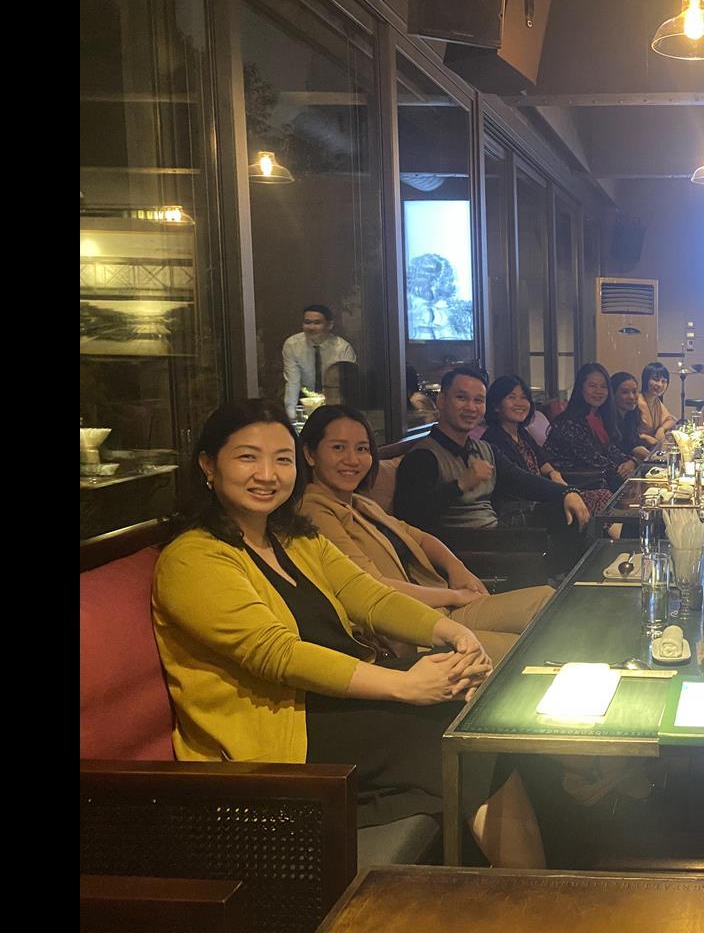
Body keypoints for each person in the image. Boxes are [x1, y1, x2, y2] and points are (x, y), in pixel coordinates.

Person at [151, 398, 543, 866]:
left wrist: (454, 635)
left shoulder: (293, 537)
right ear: (208, 465)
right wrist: (404, 684)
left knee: (480, 697)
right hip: (280, 731)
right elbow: (277, 654)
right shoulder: (192, 558)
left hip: (335, 699)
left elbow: (368, 597)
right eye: (247, 457)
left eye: (281, 459)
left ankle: (535, 868)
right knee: (455, 724)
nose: (267, 474)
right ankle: (528, 887)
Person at [297, 404, 554, 666]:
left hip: (439, 609)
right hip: (407, 632)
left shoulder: (360, 503)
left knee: (547, 601)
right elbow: (372, 587)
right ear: (310, 454)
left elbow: (421, 537)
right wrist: (455, 596)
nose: (352, 459)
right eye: (338, 448)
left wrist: (456, 568)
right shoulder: (314, 511)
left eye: (361, 449)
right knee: (524, 650)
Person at [393, 366, 590, 542]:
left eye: (478, 400)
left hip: (497, 534)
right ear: (442, 400)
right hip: (467, 547)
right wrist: (460, 485)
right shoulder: (423, 457)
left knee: (569, 512)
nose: (471, 407)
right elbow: (410, 519)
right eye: (461, 398)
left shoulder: (485, 449)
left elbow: (522, 481)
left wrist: (566, 492)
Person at [479, 374, 612, 519]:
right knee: (600, 498)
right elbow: (520, 481)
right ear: (496, 405)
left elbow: (543, 460)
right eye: (512, 397)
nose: (520, 403)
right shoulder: (494, 439)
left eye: (524, 397)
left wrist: (553, 473)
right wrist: (563, 492)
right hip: (520, 506)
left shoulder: (521, 433)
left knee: (603, 496)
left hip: (541, 495)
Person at [544, 363, 640, 492]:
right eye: (592, 386)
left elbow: (610, 449)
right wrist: (623, 469)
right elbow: (592, 458)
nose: (599, 391)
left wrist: (630, 462)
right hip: (571, 486)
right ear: (581, 388)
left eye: (603, 386)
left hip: (598, 479)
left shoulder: (598, 416)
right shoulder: (569, 421)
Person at [282, 304, 356, 422]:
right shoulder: (292, 345)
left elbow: (348, 386)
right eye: (307, 322)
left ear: (329, 325)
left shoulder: (342, 348)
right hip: (307, 400)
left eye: (317, 323)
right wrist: (291, 418)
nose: (311, 327)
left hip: (335, 402)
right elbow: (292, 382)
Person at [610, 370, 653, 460]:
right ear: (613, 394)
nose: (632, 397)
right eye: (625, 392)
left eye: (634, 391)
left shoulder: (630, 416)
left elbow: (633, 443)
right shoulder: (608, 420)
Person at [638, 361, 677, 447]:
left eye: (664, 381)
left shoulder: (656, 401)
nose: (660, 385)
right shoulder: (638, 401)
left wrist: (661, 429)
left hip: (653, 446)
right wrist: (645, 437)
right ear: (645, 379)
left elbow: (671, 419)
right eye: (656, 380)